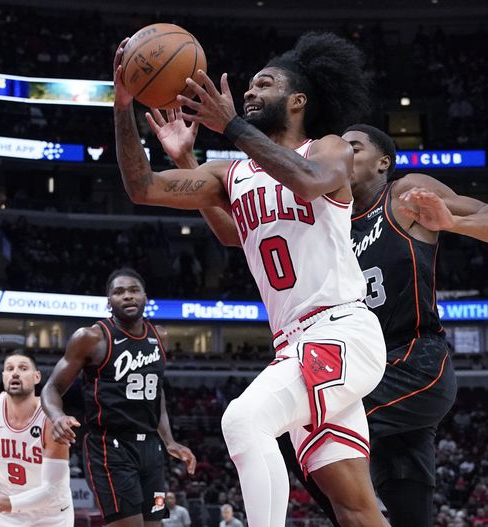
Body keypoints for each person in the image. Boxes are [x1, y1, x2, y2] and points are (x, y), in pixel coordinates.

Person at [114, 32, 388, 527]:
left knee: (243, 420)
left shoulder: (328, 148)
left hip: (342, 332)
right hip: (294, 346)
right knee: (355, 508)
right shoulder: (230, 175)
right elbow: (143, 189)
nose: (250, 91)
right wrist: (124, 103)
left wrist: (232, 125)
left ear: (298, 100)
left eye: (265, 84)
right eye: (249, 88)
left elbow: (305, 180)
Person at [186, 123, 488, 527]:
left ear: (384, 162)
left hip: (412, 360)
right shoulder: (321, 214)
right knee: (408, 515)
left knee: (302, 423)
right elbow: (230, 231)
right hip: (352, 363)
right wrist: (186, 161)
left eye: (354, 147)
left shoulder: (403, 194)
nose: (341, 153)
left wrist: (452, 222)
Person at [41, 268, 196, 527]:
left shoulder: (160, 336)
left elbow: (157, 392)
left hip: (150, 447)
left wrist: (169, 440)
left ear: (146, 297)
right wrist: (57, 416)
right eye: (119, 292)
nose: (128, 296)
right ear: (109, 302)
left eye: (134, 290)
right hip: (110, 446)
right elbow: (52, 388)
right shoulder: (91, 338)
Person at [0, 350, 73, 527]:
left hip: (49, 514)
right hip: (4, 514)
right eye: (9, 368)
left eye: (23, 368)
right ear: (3, 376)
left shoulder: (51, 418)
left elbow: (52, 490)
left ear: (37, 377)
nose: (15, 372)